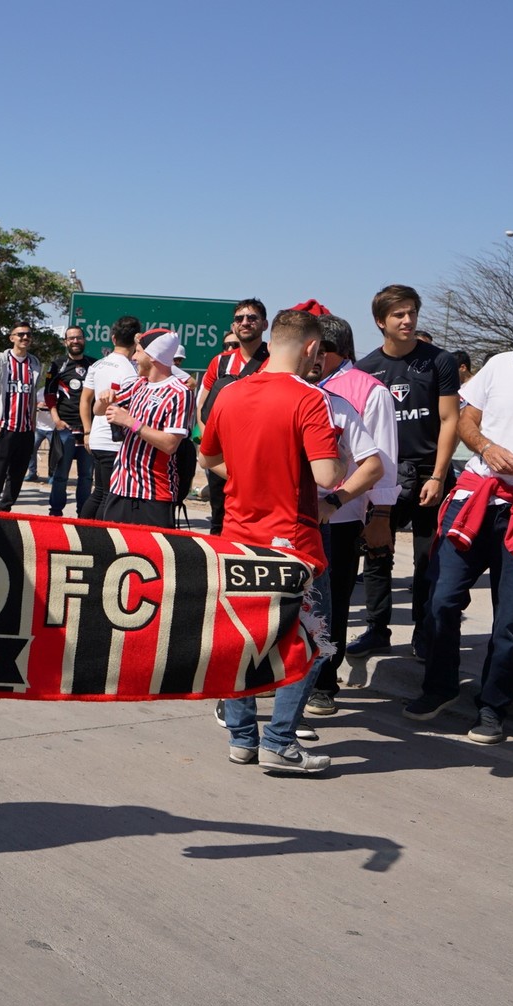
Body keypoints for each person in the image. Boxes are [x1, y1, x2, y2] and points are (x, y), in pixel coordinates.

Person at [199, 309, 343, 773]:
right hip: (293, 541)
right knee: (307, 641)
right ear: (310, 348)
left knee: (239, 640)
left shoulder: (229, 391)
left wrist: (248, 476)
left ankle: (242, 737)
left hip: (237, 536)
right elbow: (327, 474)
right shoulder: (310, 399)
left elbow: (211, 459)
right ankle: (279, 741)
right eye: (318, 352)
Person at [406, 296, 513, 743]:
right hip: (478, 498)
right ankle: (439, 687)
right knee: (442, 598)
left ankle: (493, 707)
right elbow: (465, 420)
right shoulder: (503, 364)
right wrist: (484, 447)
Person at [348, 285, 460, 659]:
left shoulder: (439, 361)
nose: (407, 320)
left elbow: (449, 420)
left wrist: (439, 475)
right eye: (398, 314)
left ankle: (425, 634)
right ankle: (377, 629)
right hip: (385, 476)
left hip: (430, 473)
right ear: (381, 321)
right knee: (378, 553)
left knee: (429, 559)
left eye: (411, 312)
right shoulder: (366, 368)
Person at [309, 313, 399, 711]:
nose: (309, 355)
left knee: (334, 603)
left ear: (333, 351)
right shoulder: (304, 387)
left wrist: (380, 516)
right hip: (295, 515)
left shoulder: (368, 390)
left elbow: (383, 462)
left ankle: (324, 682)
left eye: (316, 349)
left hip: (340, 517)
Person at [96, 329, 192, 529]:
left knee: (152, 557)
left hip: (154, 495)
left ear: (153, 356)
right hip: (120, 488)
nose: (134, 357)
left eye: (138, 352)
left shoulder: (179, 392)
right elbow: (97, 411)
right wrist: (104, 399)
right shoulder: (138, 384)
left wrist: (131, 422)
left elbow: (170, 444)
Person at [198, 302, 270, 535]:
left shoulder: (274, 360)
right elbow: (203, 407)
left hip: (257, 458)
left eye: (252, 318)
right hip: (222, 458)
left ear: (265, 324)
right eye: (239, 319)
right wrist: (210, 448)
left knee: (258, 521)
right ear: (233, 325)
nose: (245, 323)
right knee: (219, 520)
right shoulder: (220, 362)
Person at [77, 315, 141, 519]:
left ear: (113, 338)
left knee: (99, 492)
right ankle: (95, 537)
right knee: (108, 495)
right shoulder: (131, 371)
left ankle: (83, 531)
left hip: (96, 437)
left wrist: (87, 431)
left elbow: (85, 400)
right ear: (136, 340)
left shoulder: (97, 365)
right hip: (115, 442)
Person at [0, 325, 40, 510]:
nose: (25, 337)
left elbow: (32, 395)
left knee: (18, 473)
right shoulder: (1, 360)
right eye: (20, 334)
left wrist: (32, 422)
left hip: (25, 428)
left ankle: (6, 508)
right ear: (12, 338)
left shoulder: (35, 363)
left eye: (28, 335)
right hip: (5, 426)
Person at [44, 326, 94, 516]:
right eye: (71, 338)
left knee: (87, 477)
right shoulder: (57, 365)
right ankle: (55, 513)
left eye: (78, 338)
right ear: (65, 342)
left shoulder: (94, 365)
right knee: (60, 476)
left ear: (84, 340)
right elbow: (49, 394)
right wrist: (56, 419)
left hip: (88, 431)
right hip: (65, 429)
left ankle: (84, 514)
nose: (75, 341)